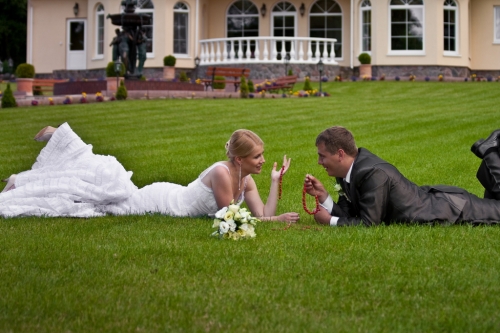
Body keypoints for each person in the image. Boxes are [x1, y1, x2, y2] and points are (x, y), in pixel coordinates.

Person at [0, 123, 300, 222]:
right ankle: (29, 178)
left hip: (171, 197)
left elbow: (261, 216)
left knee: (101, 198)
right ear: (239, 159)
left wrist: (275, 182)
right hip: (161, 201)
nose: (262, 161)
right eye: (257, 156)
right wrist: (277, 219)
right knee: (102, 199)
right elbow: (230, 217)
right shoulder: (223, 174)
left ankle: (21, 180)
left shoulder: (245, 180)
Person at [304, 126, 500, 226]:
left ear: (340, 154)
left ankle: (490, 152)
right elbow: (351, 214)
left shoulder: (371, 172)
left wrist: (329, 221)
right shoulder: (346, 171)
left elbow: (368, 224)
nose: (319, 162)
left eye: (322, 156)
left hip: (452, 209)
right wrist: (324, 197)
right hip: (441, 199)